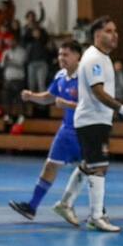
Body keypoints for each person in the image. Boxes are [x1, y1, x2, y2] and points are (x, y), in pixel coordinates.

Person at [73, 17, 123, 232]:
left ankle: (68, 204)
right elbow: (98, 92)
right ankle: (96, 216)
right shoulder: (94, 58)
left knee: (91, 165)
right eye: (109, 31)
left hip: (98, 119)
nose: (115, 35)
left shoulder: (102, 57)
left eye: (115, 31)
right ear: (97, 34)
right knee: (99, 167)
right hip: (92, 119)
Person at [8, 41, 85, 224]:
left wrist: (67, 105)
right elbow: (50, 97)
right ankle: (32, 207)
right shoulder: (60, 75)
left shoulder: (85, 77)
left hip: (85, 131)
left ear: (77, 57)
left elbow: (91, 106)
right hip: (67, 130)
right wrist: (32, 96)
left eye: (65, 55)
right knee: (50, 165)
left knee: (92, 171)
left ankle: (98, 210)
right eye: (60, 55)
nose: (61, 58)